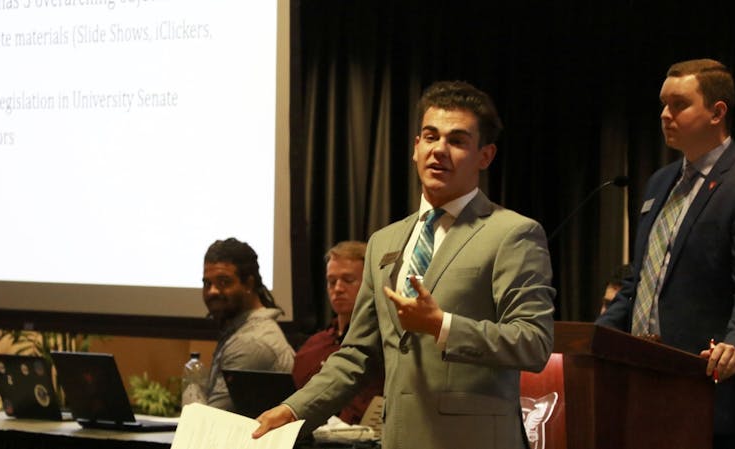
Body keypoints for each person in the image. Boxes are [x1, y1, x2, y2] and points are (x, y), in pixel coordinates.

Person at [254, 80, 555, 449]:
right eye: (430, 137)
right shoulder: (385, 242)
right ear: (416, 148)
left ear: (485, 156)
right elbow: (357, 354)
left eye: (457, 141)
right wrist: (292, 410)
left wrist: (441, 325)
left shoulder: (512, 233)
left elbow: (534, 342)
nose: (439, 150)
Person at [597, 59, 735, 448]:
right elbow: (639, 281)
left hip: (705, 388)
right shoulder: (660, 182)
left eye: (679, 104)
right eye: (664, 105)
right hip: (640, 385)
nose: (665, 115)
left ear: (717, 112)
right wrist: (593, 338)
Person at [291, 241, 384, 425]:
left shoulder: (383, 345)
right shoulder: (313, 345)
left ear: (369, 283)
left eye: (348, 280)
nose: (338, 289)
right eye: (332, 281)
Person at [201, 238, 295, 410]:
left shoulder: (252, 342)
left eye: (223, 282)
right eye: (207, 283)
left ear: (249, 284)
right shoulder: (242, 332)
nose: (212, 291)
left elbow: (215, 421)